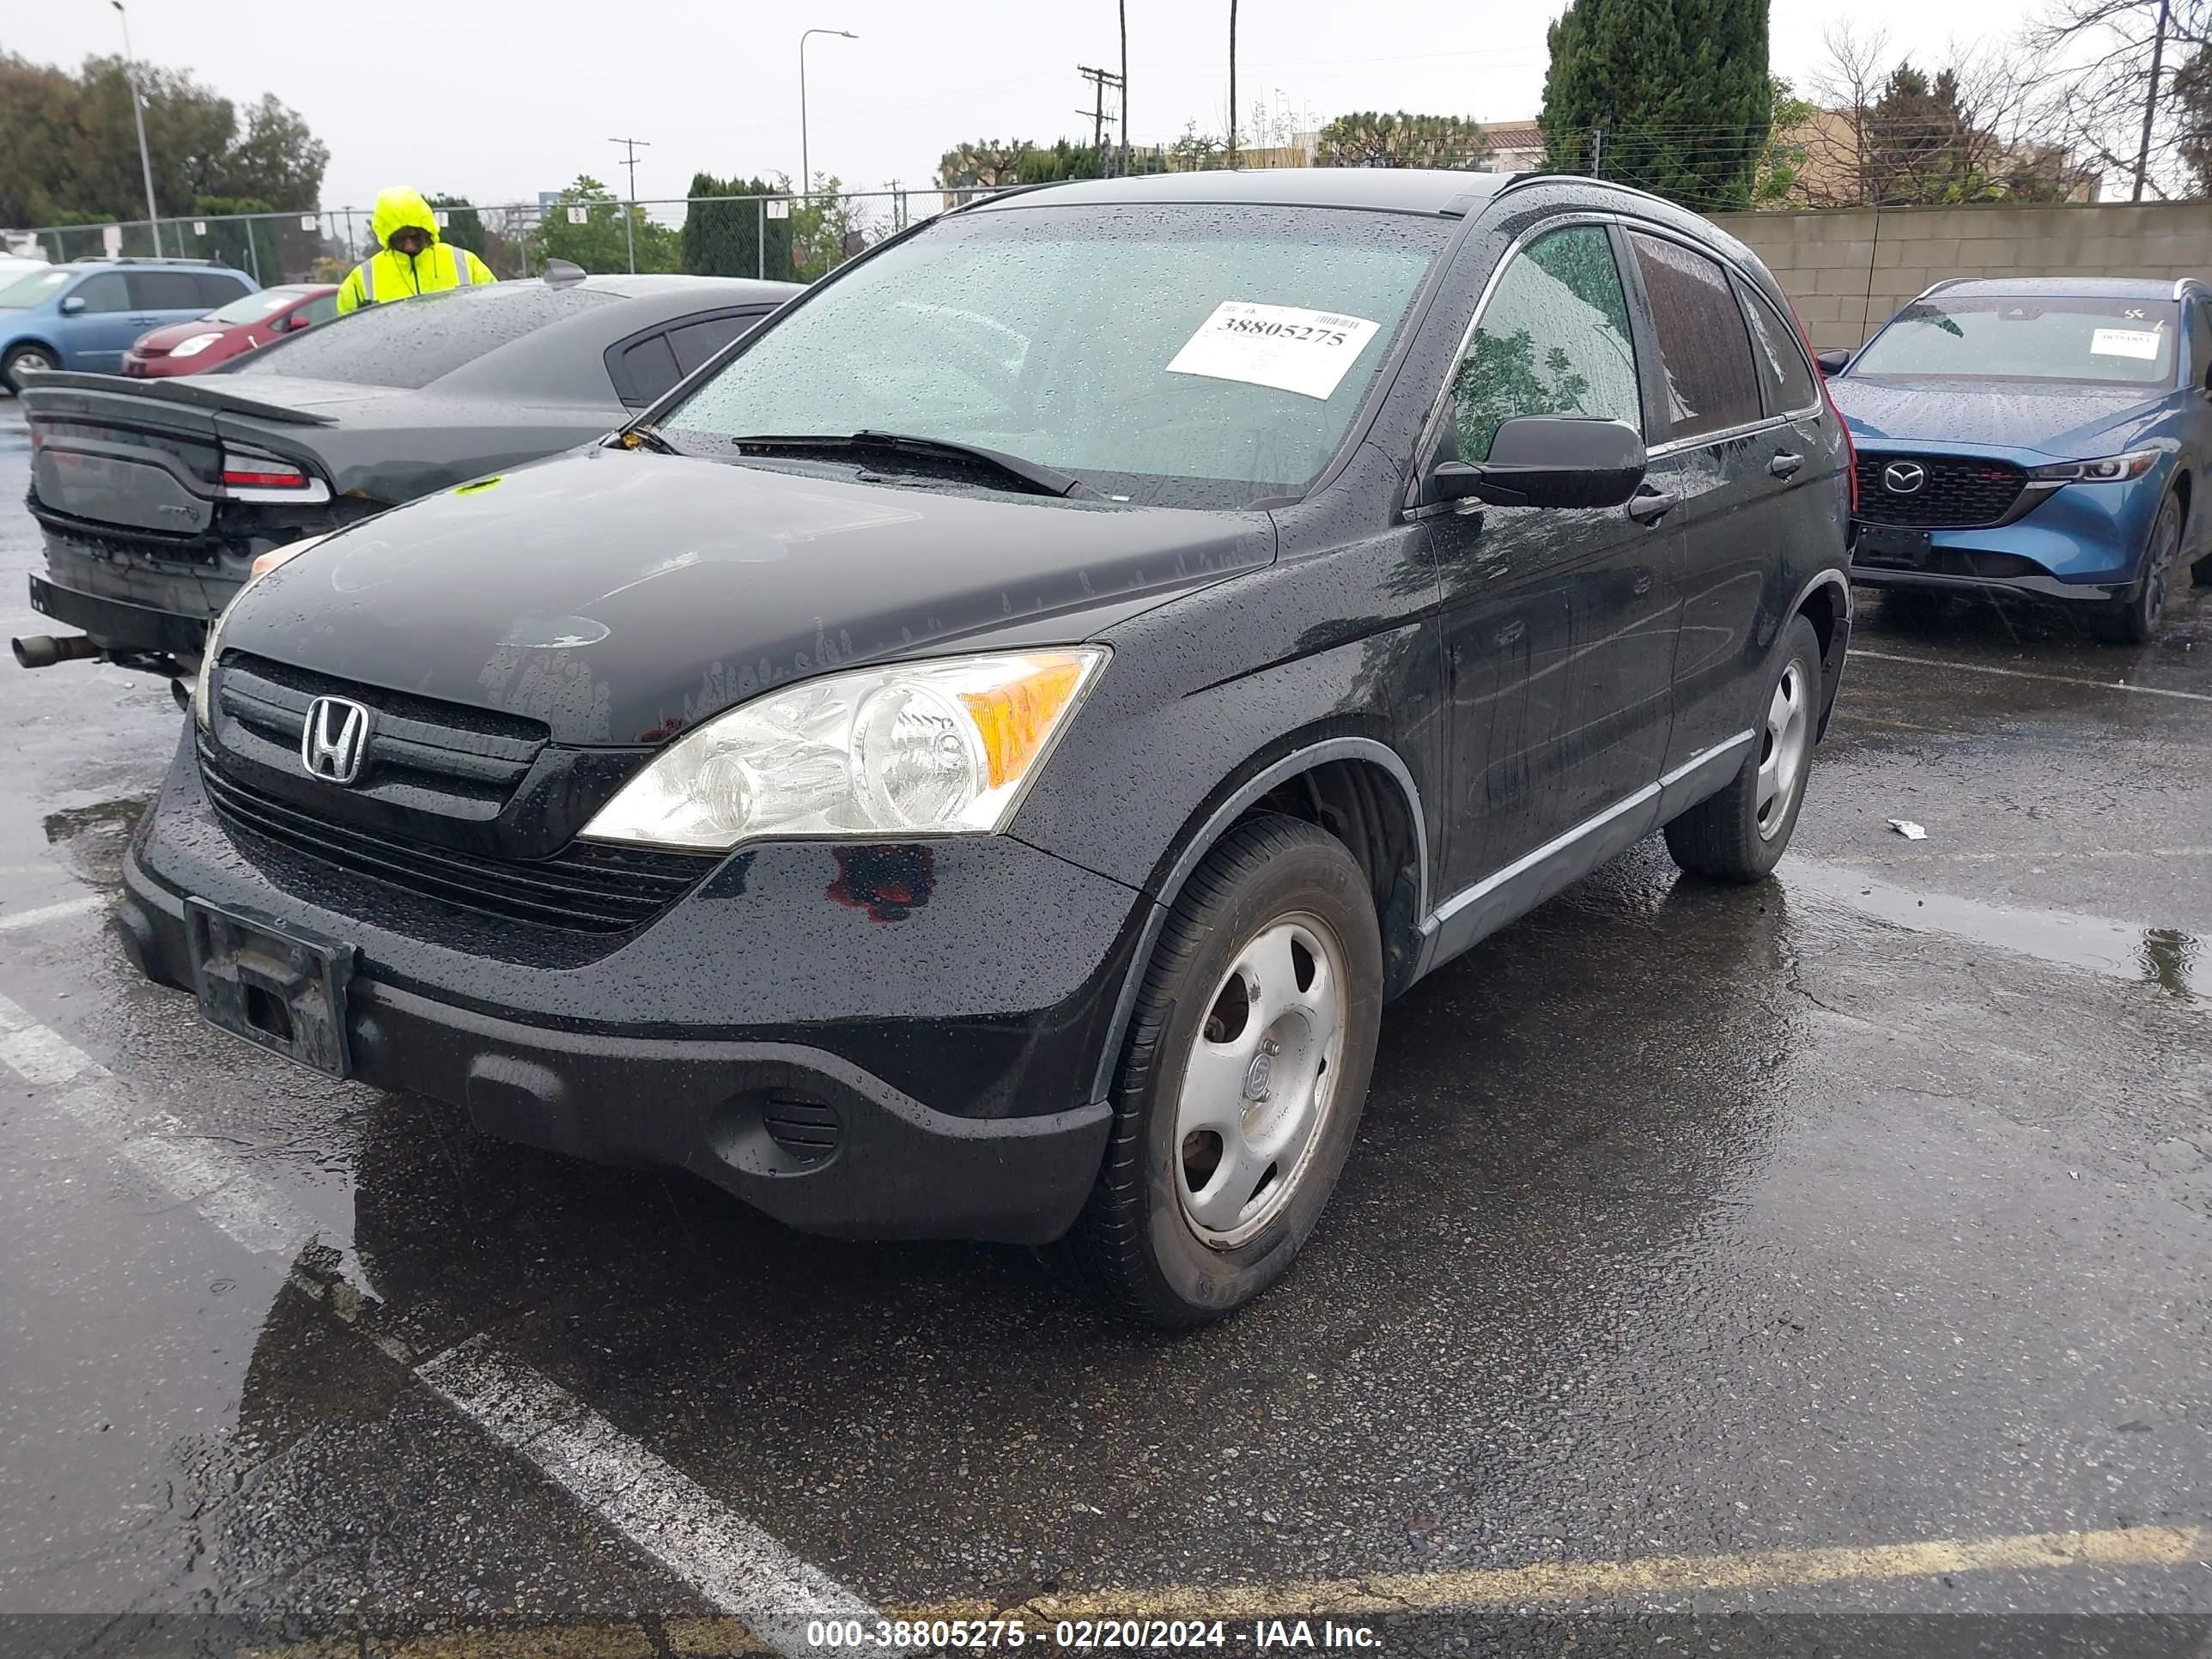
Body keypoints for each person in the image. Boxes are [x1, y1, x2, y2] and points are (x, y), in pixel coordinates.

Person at [335, 186, 495, 314]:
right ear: (387, 238)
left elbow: (495, 308)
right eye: (400, 239)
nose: (409, 246)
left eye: (415, 237)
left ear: (427, 232)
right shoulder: (362, 278)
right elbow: (345, 332)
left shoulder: (466, 263)